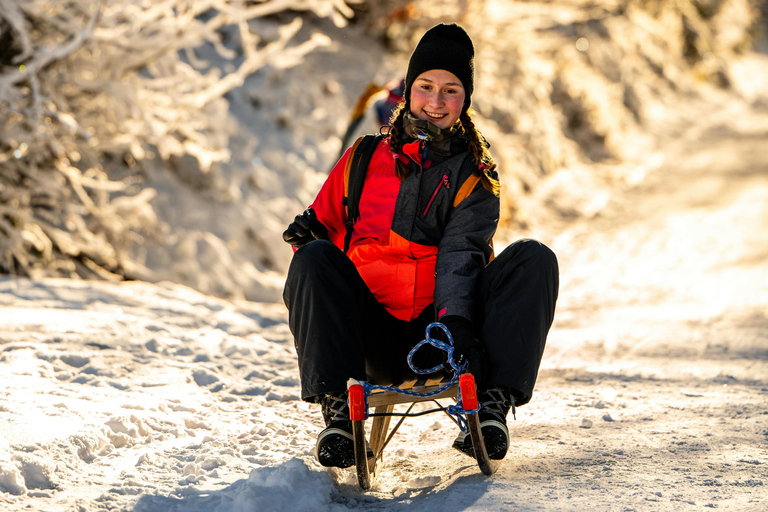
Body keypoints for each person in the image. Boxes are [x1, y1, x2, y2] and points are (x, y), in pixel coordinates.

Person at [282, 23, 559, 469]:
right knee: (313, 258)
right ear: (408, 91)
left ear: (465, 100)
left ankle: (491, 406)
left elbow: (460, 254)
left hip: (442, 335)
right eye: (426, 86)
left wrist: (456, 325)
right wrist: (309, 236)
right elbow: (323, 238)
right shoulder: (364, 157)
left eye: (450, 90)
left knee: (534, 259)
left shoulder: (475, 172)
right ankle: (336, 410)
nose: (436, 101)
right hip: (368, 335)